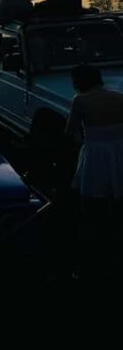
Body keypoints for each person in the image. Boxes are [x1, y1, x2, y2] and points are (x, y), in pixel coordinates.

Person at [66, 65, 123, 280]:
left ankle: (95, 249)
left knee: (91, 198)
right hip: (119, 151)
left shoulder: (81, 100)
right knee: (117, 192)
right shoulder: (119, 97)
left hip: (96, 153)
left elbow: (70, 131)